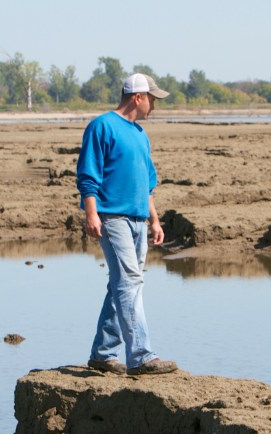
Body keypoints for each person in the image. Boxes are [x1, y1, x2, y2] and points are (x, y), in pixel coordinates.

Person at [76, 73, 178, 376]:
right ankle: (141, 356)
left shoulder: (139, 133)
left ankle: (103, 354)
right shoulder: (102, 126)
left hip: (138, 219)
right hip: (112, 217)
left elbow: (146, 183)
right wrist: (91, 213)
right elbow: (88, 174)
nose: (154, 106)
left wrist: (155, 219)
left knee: (121, 284)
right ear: (138, 97)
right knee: (130, 282)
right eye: (153, 99)